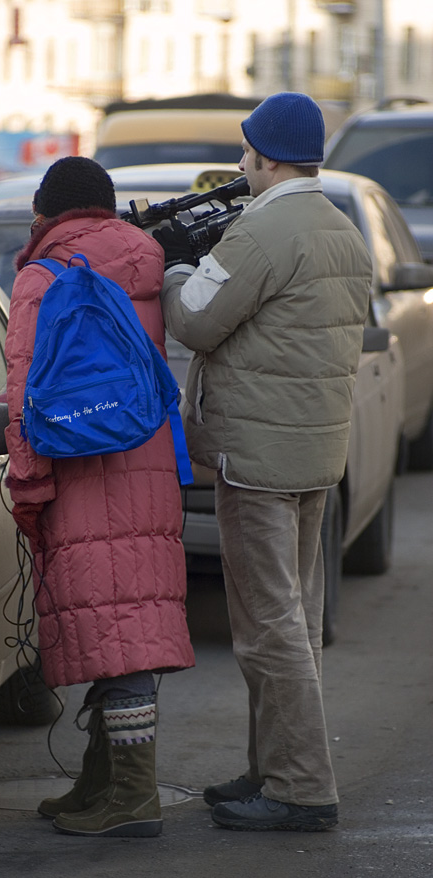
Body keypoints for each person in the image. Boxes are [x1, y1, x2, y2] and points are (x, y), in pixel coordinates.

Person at [154, 92, 372, 832]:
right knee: (295, 621)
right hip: (314, 455)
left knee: (267, 626)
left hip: (257, 459)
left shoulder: (264, 231)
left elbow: (194, 320)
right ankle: (271, 768)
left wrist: (178, 271)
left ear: (268, 156)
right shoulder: (341, 229)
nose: (241, 162)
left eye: (247, 150)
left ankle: (303, 787)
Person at [4, 156, 195, 838]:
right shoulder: (144, 260)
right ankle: (103, 780)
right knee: (122, 623)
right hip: (143, 462)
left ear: (45, 211)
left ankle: (135, 798)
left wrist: (26, 485)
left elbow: (25, 395)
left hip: (80, 470)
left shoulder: (41, 276)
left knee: (114, 628)